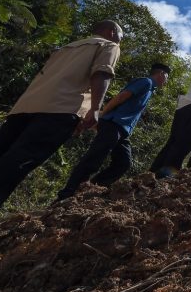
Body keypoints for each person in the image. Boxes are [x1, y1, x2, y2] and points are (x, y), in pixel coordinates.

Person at [0, 20, 123, 240]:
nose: (121, 41)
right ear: (112, 32)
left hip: (25, 107)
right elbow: (101, 73)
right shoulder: (109, 46)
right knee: (16, 163)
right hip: (60, 111)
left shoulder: (67, 47)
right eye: (121, 36)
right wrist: (95, 109)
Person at [56, 63, 171, 200]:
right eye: (167, 77)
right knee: (94, 158)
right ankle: (68, 193)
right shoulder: (146, 82)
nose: (166, 81)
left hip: (122, 131)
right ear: (161, 74)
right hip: (113, 124)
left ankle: (91, 189)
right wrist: (101, 115)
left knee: (123, 163)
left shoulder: (151, 89)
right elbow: (121, 97)